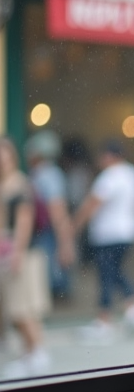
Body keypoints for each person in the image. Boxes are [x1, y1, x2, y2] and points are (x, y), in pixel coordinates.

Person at [73, 139, 134, 342]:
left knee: (108, 274)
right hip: (128, 231)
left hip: (108, 234)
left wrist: (74, 226)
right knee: (114, 271)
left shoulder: (109, 177)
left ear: (109, 156)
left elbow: (92, 204)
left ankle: (105, 320)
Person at [0, 138, 52, 376]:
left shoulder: (20, 185)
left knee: (23, 308)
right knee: (18, 307)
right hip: (9, 252)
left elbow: (24, 221)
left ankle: (37, 352)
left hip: (24, 254)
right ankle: (30, 352)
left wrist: (18, 253)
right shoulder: (5, 184)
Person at [24, 130, 76, 298]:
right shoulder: (39, 174)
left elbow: (57, 210)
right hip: (40, 234)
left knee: (50, 280)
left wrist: (65, 244)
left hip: (48, 234)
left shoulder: (49, 175)